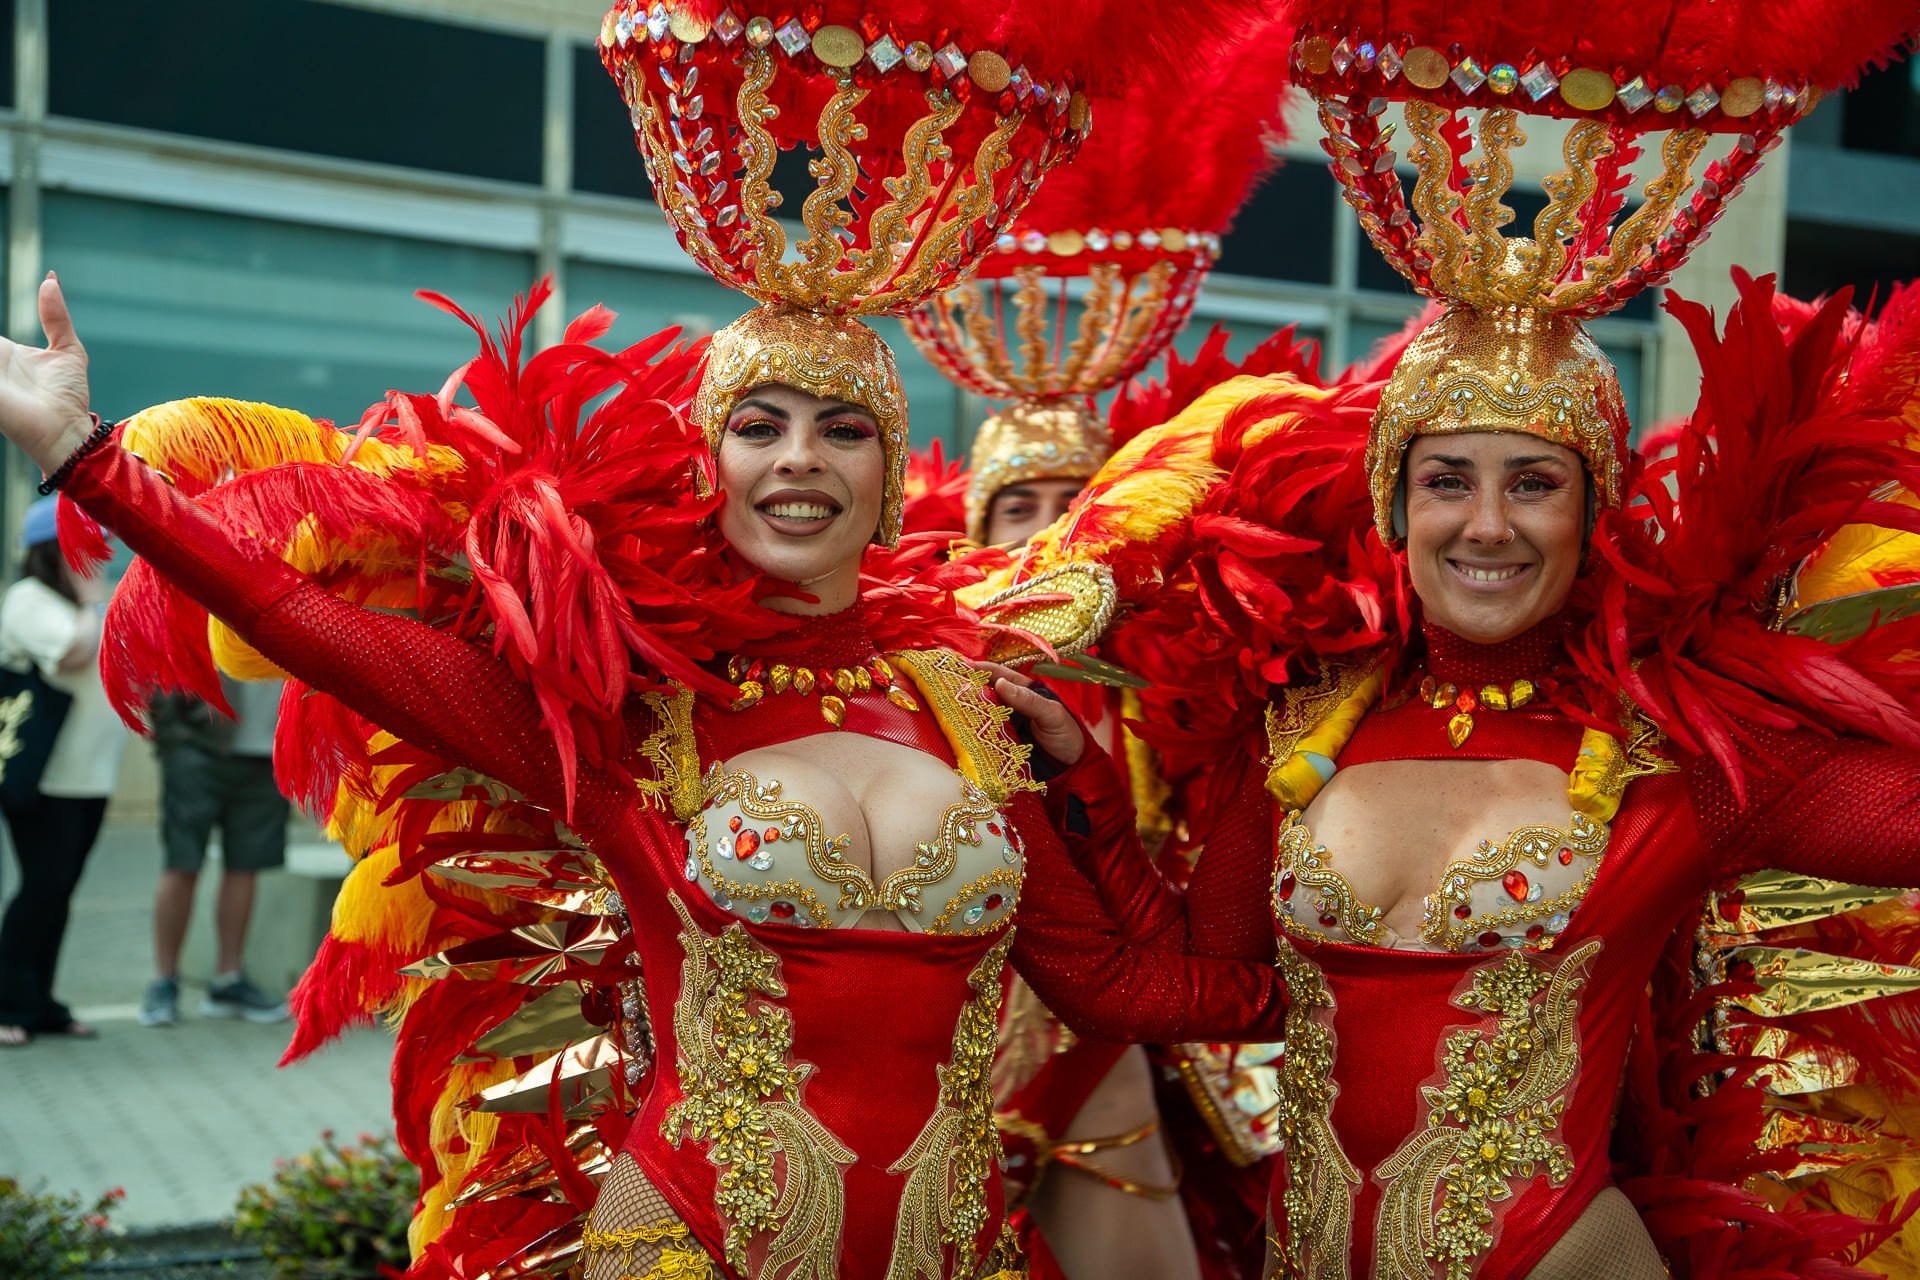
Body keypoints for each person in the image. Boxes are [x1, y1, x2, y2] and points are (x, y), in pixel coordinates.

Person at [0, 496, 127, 1045]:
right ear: (52, 551)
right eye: (85, 543)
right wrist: (91, 600)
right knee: (41, 886)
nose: (98, 553)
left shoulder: (88, 604)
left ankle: (42, 1003)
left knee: (60, 890)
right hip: (43, 775)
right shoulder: (27, 600)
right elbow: (74, 654)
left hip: (91, 774)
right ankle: (9, 1004)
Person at [140, 677, 292, 1027]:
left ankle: (229, 981)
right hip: (199, 749)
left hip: (269, 754)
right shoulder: (205, 616)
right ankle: (164, 982)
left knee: (245, 867)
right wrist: (174, 739)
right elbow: (162, 666)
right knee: (183, 864)